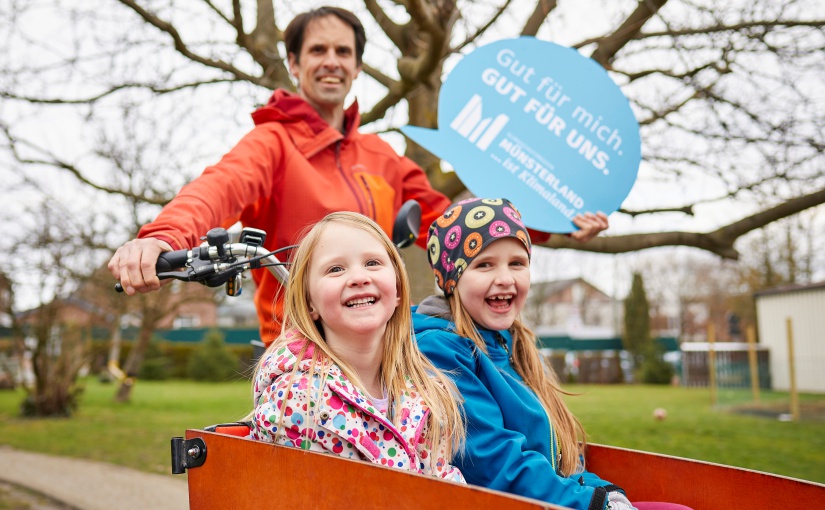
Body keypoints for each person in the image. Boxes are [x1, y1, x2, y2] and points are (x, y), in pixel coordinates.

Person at [107, 6, 608, 346]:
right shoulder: (272, 144)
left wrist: (549, 224)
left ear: (358, 67)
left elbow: (455, 225)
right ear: (295, 62)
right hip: (301, 349)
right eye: (318, 51)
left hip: (383, 348)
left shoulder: (382, 157)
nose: (331, 62)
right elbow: (216, 189)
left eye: (343, 52)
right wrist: (161, 238)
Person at [412, 198, 692, 510]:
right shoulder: (440, 349)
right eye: (484, 264)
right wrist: (594, 502)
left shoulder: (511, 343)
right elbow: (493, 463)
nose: (505, 278)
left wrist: (603, 492)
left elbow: (560, 456)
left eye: (517, 263)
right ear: (452, 280)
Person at [249, 211, 465, 482]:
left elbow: (443, 481)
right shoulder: (297, 399)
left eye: (373, 263)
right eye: (335, 269)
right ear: (310, 303)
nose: (359, 277)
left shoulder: (425, 392)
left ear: (397, 289)